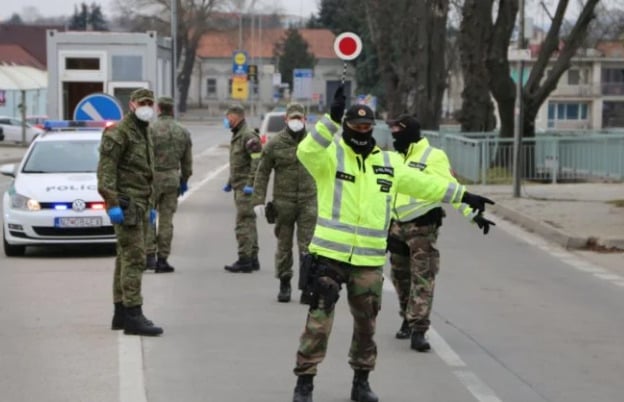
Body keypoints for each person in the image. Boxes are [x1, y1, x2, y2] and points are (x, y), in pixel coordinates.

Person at [290, 86, 494, 402]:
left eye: (366, 127)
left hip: (368, 261)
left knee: (367, 327)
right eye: (355, 126)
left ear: (373, 128)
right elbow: (306, 152)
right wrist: (329, 120)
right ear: (346, 127)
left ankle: (361, 382)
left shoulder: (388, 162)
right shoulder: (331, 157)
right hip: (329, 255)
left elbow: (426, 185)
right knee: (318, 323)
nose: (361, 131)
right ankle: (305, 382)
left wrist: (464, 195)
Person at [386, 114, 495, 352]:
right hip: (396, 226)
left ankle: (418, 329)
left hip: (423, 224)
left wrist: (472, 213)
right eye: (391, 130)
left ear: (410, 132)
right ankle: (407, 315)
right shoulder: (393, 158)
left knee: (422, 276)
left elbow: (450, 187)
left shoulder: (433, 156)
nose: (393, 135)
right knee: (400, 276)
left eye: (397, 130)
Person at [97, 88, 162, 336]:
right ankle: (134, 314)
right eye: (142, 102)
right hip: (127, 206)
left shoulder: (144, 131)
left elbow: (148, 172)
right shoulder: (119, 132)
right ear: (132, 104)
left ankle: (121, 313)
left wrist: (153, 205)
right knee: (135, 259)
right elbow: (106, 172)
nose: (146, 106)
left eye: (150, 103)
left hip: (142, 205)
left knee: (124, 258)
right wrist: (111, 203)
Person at [252, 103, 317, 303]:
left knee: (308, 247)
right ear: (286, 120)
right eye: (293, 118)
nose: (296, 122)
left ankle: (308, 287)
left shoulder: (314, 142)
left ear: (305, 120)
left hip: (308, 201)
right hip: (284, 202)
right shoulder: (275, 143)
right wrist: (258, 200)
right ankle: (284, 282)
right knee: (284, 245)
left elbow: (330, 168)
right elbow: (262, 172)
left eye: (300, 118)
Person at [145, 96, 193, 273]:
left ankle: (149, 256)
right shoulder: (182, 131)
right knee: (166, 221)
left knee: (149, 217)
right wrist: (184, 180)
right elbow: (187, 162)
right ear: (172, 110)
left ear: (158, 109)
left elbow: (142, 156)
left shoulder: (149, 130)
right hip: (172, 178)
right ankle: (162, 259)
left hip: (151, 180)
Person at [222, 103, 263, 273]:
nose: (226, 121)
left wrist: (250, 184)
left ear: (235, 117)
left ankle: (244, 259)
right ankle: (253, 258)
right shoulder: (238, 135)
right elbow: (238, 162)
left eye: (228, 117)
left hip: (246, 188)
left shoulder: (248, 136)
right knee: (249, 223)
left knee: (243, 224)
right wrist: (230, 181)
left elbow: (257, 161)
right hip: (239, 185)